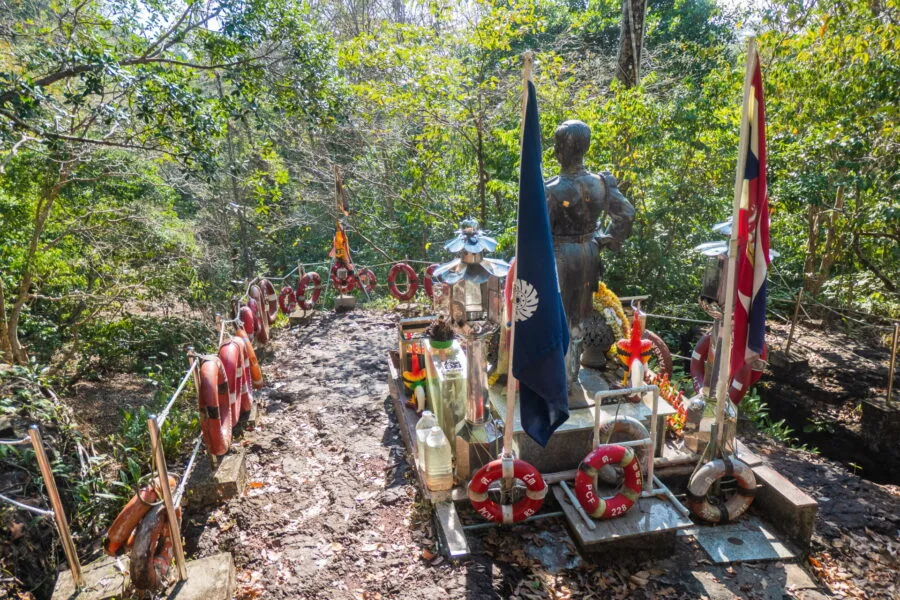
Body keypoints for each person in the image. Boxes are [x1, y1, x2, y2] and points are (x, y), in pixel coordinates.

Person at [545, 120, 635, 395]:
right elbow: (627, 213)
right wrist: (608, 238)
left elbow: (541, 234)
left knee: (560, 315)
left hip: (560, 256)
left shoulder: (551, 189)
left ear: (562, 149)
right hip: (589, 253)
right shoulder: (601, 183)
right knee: (579, 315)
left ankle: (563, 377)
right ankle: (570, 375)